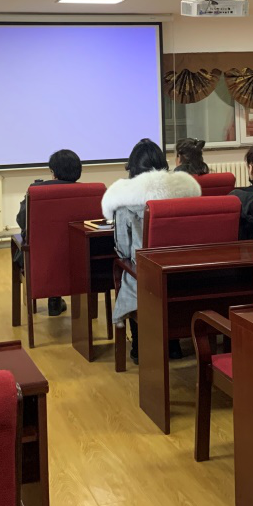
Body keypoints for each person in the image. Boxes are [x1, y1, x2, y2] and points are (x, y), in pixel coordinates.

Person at [102, 138, 201, 362]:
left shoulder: (124, 201)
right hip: (183, 273)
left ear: (132, 168)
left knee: (131, 272)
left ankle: (140, 346)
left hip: (147, 279)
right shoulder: (185, 191)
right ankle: (173, 346)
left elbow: (123, 251)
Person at [15, 149, 82, 316]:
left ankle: (54, 299)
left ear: (53, 172)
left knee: (40, 245)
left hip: (40, 260)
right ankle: (57, 301)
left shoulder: (36, 192)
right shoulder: (89, 192)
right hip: (79, 259)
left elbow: (22, 220)